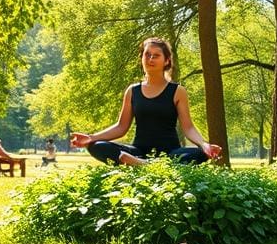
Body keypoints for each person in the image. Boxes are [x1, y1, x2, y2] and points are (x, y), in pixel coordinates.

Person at [70, 37, 222, 166]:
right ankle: (145, 163)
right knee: (96, 146)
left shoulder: (177, 91)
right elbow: (121, 127)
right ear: (142, 58)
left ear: (166, 60)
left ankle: (144, 165)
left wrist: (204, 144)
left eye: (156, 56)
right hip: (138, 151)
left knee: (200, 154)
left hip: (170, 152)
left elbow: (188, 128)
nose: (150, 59)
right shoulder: (132, 91)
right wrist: (91, 138)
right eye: (147, 55)